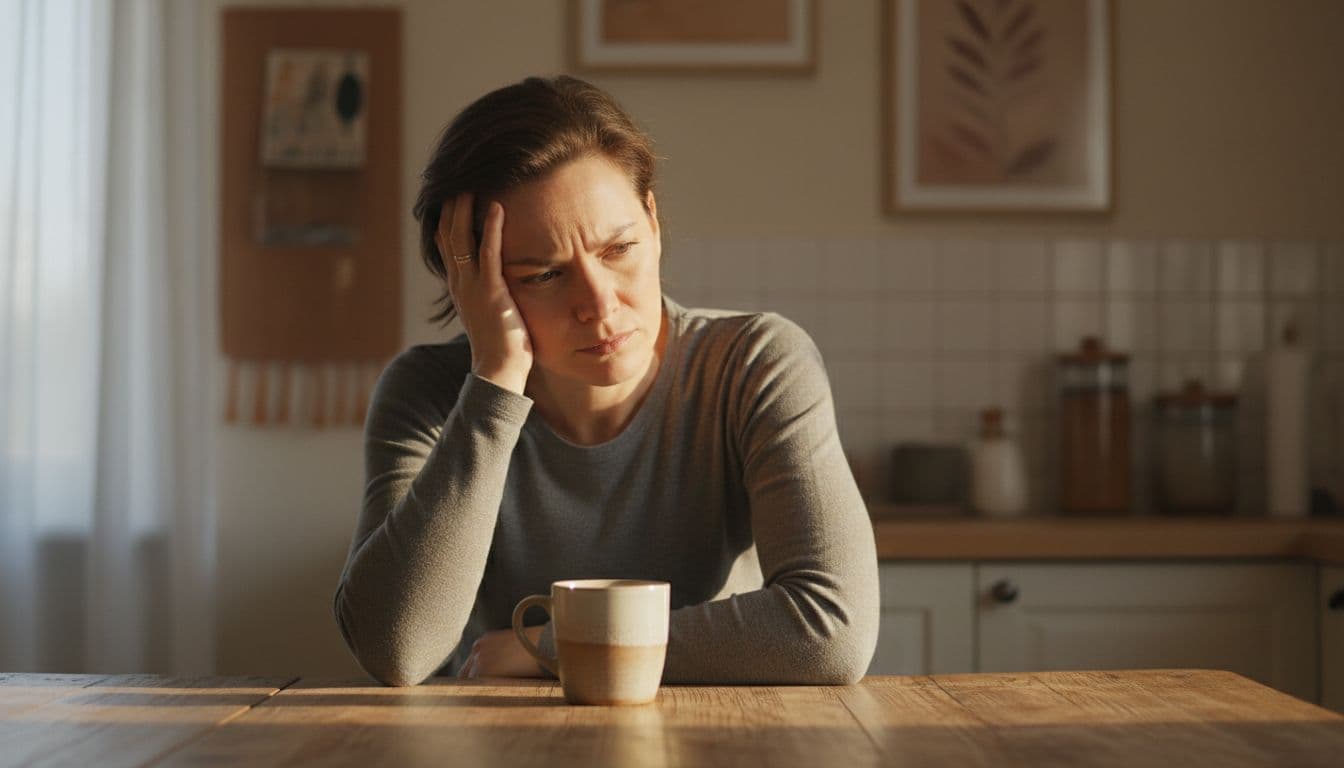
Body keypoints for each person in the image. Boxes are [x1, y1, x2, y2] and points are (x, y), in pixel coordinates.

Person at [333, 75, 879, 686]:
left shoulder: (757, 363)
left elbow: (833, 633)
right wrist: (494, 383)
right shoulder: (428, 393)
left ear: (653, 221)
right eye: (543, 275)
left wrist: (558, 644)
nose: (598, 303)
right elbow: (396, 650)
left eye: (618, 249)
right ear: (471, 283)